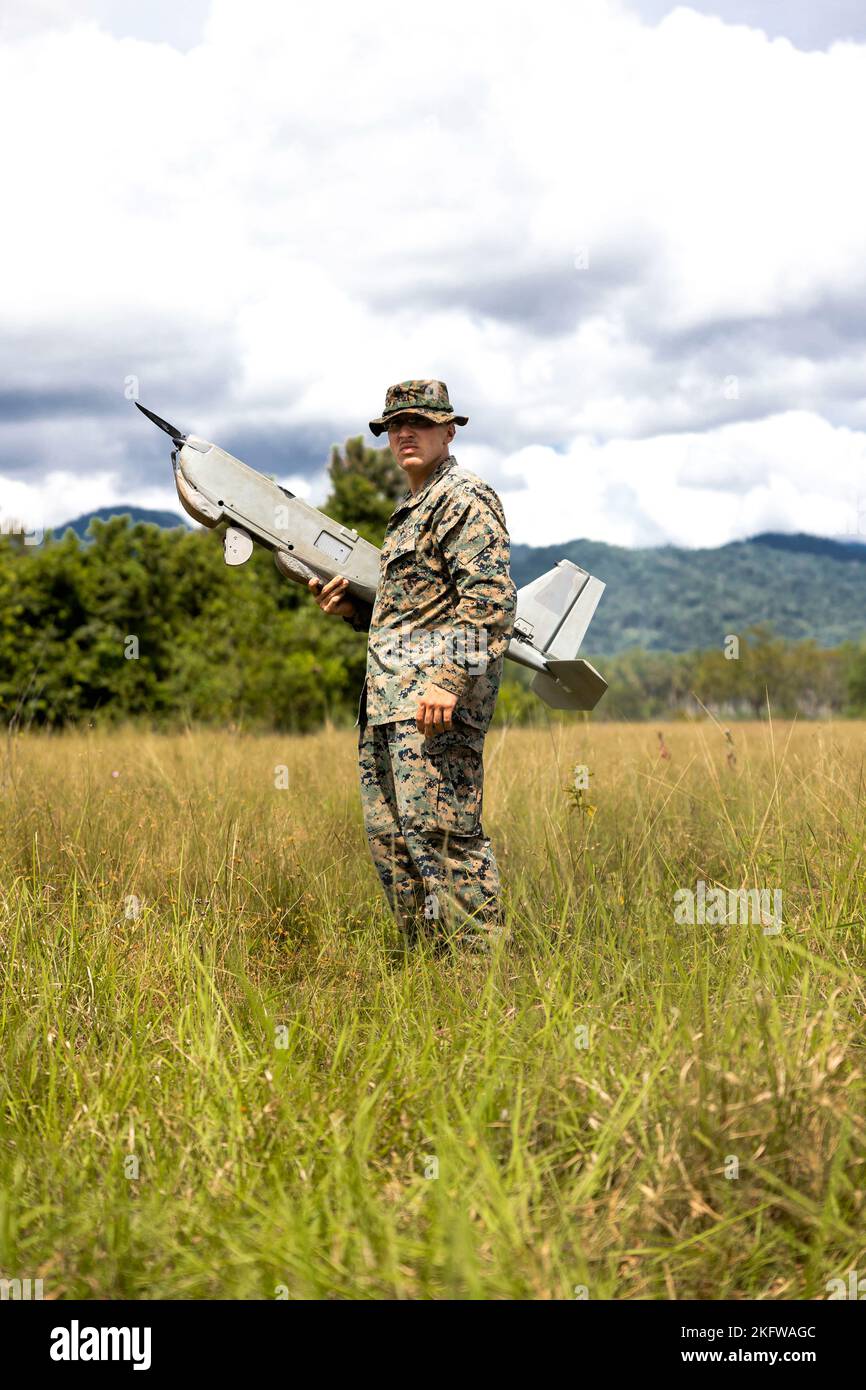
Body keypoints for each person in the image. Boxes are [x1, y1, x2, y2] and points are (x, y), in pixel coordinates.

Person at [310, 379, 516, 951]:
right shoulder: (409, 510)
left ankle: (485, 982)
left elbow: (491, 600)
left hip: (435, 709)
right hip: (389, 706)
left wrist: (449, 681)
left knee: (445, 840)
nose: (405, 433)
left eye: (420, 423)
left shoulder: (463, 498)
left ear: (448, 431)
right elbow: (411, 613)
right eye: (394, 426)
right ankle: (431, 984)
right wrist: (354, 610)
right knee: (395, 846)